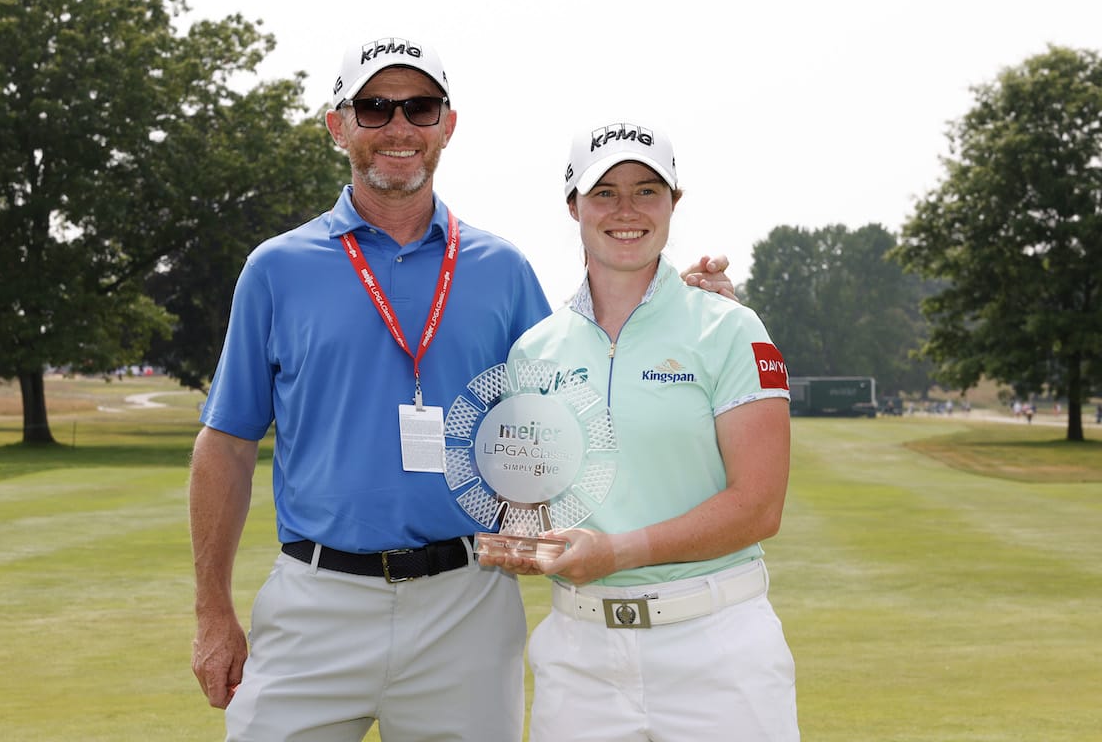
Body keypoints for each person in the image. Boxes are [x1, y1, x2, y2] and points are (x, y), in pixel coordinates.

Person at [188, 38, 736, 742]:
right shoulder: (277, 268)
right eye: (374, 107)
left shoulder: (500, 268)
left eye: (419, 107)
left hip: (468, 605)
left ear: (447, 125)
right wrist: (212, 614)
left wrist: (684, 307)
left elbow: (583, 388)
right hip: (313, 603)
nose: (398, 128)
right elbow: (226, 444)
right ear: (338, 125)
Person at [481, 121, 798, 740]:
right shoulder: (533, 351)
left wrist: (615, 553)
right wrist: (519, 538)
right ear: (573, 205)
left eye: (647, 191)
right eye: (604, 193)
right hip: (579, 655)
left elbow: (759, 507)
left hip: (717, 647)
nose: (626, 210)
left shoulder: (731, 328)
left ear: (674, 202)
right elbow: (529, 501)